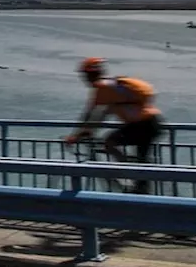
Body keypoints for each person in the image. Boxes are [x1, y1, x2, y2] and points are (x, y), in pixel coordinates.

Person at [65, 57, 164, 194]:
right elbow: (103, 114)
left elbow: (91, 114)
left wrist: (75, 136)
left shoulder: (102, 87)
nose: (84, 79)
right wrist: (88, 131)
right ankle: (140, 186)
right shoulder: (113, 86)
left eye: (85, 75)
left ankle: (129, 170)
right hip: (152, 123)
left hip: (142, 124)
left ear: (90, 75)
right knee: (142, 159)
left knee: (110, 142)